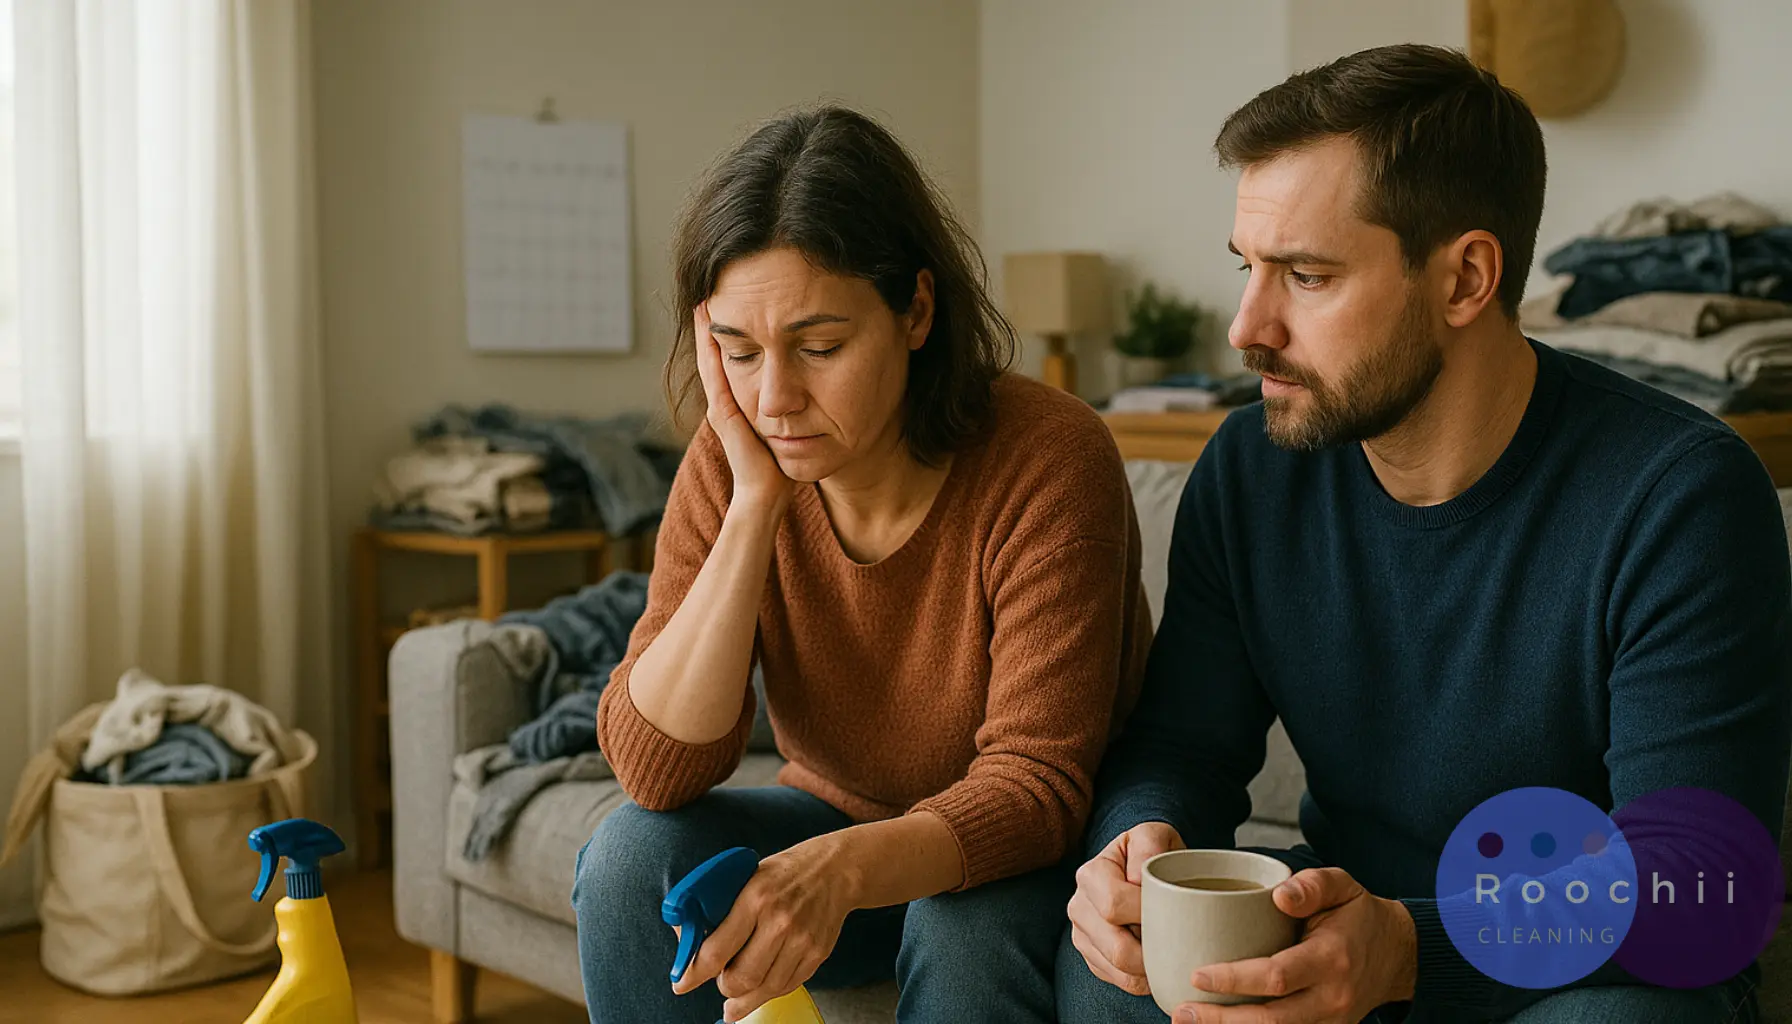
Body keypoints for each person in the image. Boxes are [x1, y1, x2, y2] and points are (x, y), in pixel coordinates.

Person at [1058, 44, 1792, 1024]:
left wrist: (1406, 947)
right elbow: (1180, 747)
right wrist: (1137, 841)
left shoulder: (1679, 496)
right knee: (1109, 976)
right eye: (1248, 267)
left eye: (1305, 276)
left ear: (1464, 279)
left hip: (1577, 980)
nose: (1245, 326)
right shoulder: (1251, 469)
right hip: (1334, 937)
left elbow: (1701, 887)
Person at [571, 106, 1153, 1024]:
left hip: (1030, 856)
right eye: (737, 351)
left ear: (916, 311)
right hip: (836, 819)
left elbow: (1035, 789)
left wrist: (842, 870)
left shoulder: (1048, 456)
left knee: (961, 935)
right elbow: (656, 771)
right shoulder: (735, 457)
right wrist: (757, 505)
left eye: (820, 347)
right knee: (628, 862)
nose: (773, 398)